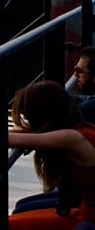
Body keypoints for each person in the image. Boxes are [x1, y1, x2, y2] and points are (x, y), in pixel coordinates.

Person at [8, 81, 95, 229]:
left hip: (90, 218)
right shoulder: (79, 126)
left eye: (26, 114)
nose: (26, 119)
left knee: (9, 224)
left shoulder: (71, 138)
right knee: (20, 207)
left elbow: (6, 138)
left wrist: (28, 135)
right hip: (85, 209)